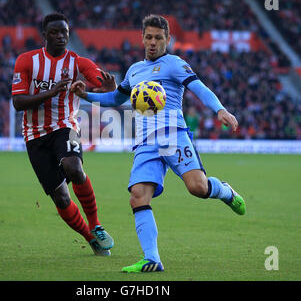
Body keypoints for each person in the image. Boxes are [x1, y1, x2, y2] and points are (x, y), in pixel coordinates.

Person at [70, 14, 246, 272]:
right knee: (138, 196)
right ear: (142, 38)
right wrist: (84, 94)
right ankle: (152, 259)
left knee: (197, 188)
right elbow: (116, 100)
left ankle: (225, 191)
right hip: (145, 143)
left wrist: (219, 109)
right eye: (149, 37)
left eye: (158, 38)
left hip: (173, 136)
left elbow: (200, 88)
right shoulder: (134, 71)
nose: (153, 42)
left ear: (168, 39)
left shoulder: (175, 64)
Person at [11, 12, 114, 256]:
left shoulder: (78, 62)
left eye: (64, 33)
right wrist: (52, 92)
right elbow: (18, 102)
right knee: (61, 197)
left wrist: (108, 90)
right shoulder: (26, 61)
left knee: (74, 167)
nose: (60, 37)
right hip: (34, 136)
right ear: (44, 35)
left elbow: (101, 84)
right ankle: (91, 239)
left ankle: (96, 224)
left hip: (64, 126)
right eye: (55, 32)